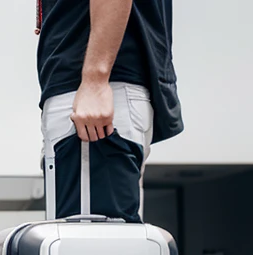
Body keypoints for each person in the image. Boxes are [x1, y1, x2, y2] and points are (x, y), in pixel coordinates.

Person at [36, 0, 182, 221]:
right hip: (99, 91)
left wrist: (95, 80)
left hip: (91, 95)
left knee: (89, 247)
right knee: (100, 245)